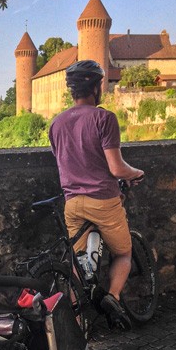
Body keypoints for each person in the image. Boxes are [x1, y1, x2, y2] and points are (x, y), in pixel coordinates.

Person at [48, 59, 145, 329]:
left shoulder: (56, 124)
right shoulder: (104, 118)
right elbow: (116, 167)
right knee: (123, 252)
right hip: (102, 201)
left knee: (78, 271)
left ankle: (79, 331)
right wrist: (135, 173)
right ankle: (112, 297)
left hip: (72, 204)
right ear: (96, 87)